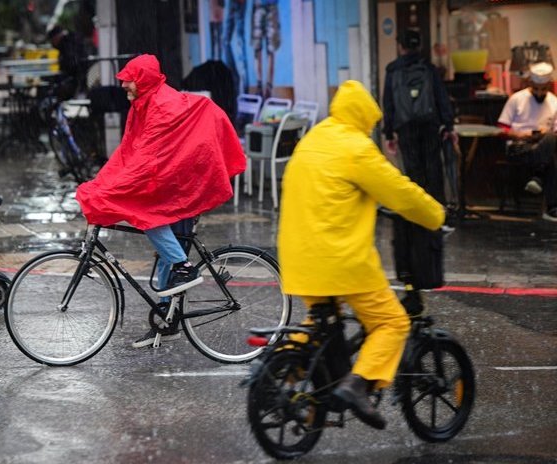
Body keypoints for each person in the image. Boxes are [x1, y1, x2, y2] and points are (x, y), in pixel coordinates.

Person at [277, 80, 445, 430]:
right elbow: (399, 192)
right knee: (392, 322)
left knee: (321, 325)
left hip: (298, 259)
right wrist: (436, 215)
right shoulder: (356, 147)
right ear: (365, 118)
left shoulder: (313, 140)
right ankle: (358, 384)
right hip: (340, 261)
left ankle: (281, 372)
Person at [75, 54, 245, 348]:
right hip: (176, 175)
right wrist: (103, 182)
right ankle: (169, 320)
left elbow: (146, 157)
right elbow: (129, 151)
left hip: (184, 180)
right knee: (162, 239)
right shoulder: (143, 104)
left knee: (148, 214)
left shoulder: (160, 106)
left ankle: (184, 266)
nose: (125, 85)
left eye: (129, 79)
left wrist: (115, 188)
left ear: (143, 80)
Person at [382, 28, 455, 309]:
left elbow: (389, 102)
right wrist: (448, 125)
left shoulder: (392, 70)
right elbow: (440, 98)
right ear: (419, 45)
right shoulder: (429, 68)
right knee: (432, 173)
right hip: (428, 126)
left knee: (412, 176)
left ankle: (417, 218)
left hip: (406, 128)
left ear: (401, 46)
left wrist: (390, 133)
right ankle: (436, 220)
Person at [497, 62, 557, 222]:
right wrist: (523, 135)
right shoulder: (516, 99)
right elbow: (501, 129)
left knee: (551, 138)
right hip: (518, 148)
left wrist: (542, 134)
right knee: (550, 158)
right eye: (536, 88)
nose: (539, 93)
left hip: (542, 146)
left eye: (543, 89)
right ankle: (551, 207)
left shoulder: (554, 102)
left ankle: (537, 176)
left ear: (549, 85)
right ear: (530, 83)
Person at [47, 25, 87, 99]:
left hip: (76, 80)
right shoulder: (73, 40)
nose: (52, 43)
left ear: (56, 38)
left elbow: (71, 64)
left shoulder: (67, 44)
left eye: (52, 40)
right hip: (80, 79)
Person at [251, 0, 280, 98]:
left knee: (271, 48)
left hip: (272, 5)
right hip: (258, 5)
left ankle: (268, 87)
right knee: (257, 46)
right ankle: (259, 85)